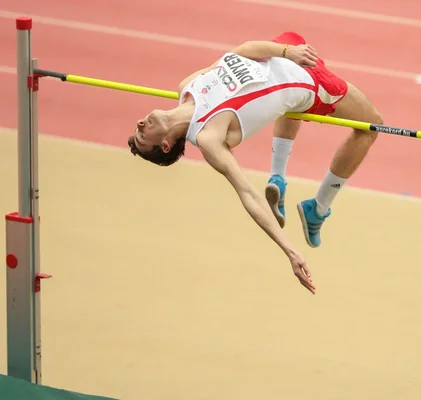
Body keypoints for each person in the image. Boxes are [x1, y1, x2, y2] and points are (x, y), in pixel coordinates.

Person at [127, 32, 383, 294]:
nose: (140, 124)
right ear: (165, 145)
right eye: (143, 135)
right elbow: (248, 194)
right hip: (312, 83)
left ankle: (278, 177)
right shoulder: (208, 136)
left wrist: (286, 52)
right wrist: (289, 250)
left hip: (285, 52)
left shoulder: (187, 86)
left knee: (293, 46)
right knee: (371, 125)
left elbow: (242, 51)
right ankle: (318, 209)